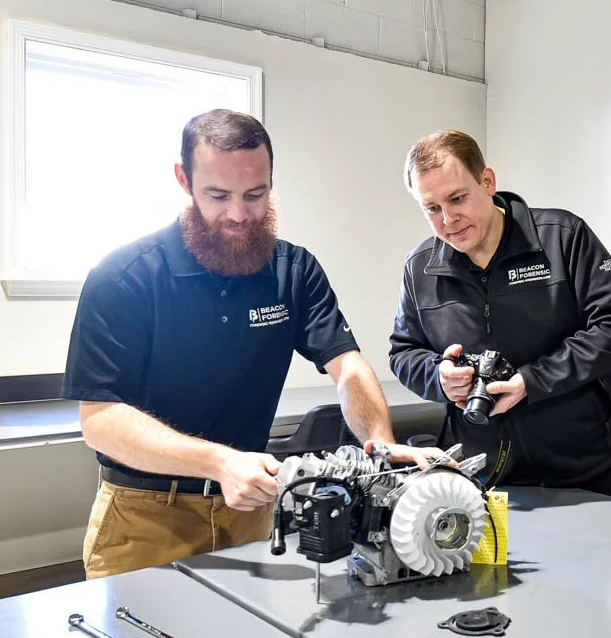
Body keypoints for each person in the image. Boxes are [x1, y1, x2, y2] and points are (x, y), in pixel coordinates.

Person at [63, 109, 441, 579]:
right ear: (184, 179)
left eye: (255, 194)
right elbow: (101, 420)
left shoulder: (293, 271)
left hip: (249, 516)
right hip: (145, 518)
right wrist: (220, 463)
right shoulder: (124, 278)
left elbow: (347, 367)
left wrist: (379, 445)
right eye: (218, 196)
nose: (239, 214)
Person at [389, 130, 611, 500]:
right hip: (486, 478)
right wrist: (440, 376)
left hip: (589, 471)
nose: (448, 219)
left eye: (457, 198)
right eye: (431, 208)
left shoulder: (561, 238)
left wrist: (532, 381)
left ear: (487, 182)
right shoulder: (420, 267)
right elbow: (403, 352)